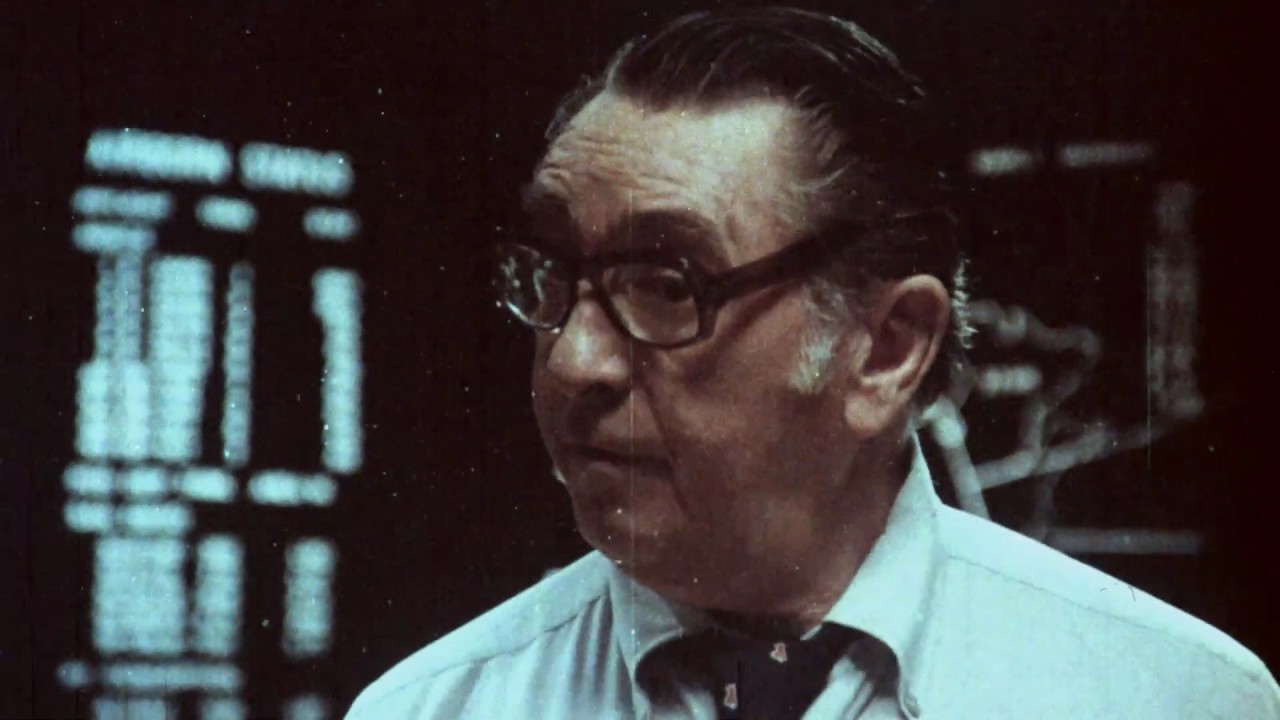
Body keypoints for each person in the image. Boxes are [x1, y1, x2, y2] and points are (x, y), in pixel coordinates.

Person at [347, 7, 1278, 719]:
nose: (574, 361)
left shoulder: (1174, 699)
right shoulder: (431, 709)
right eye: (552, 274)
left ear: (887, 349)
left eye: (667, 284)